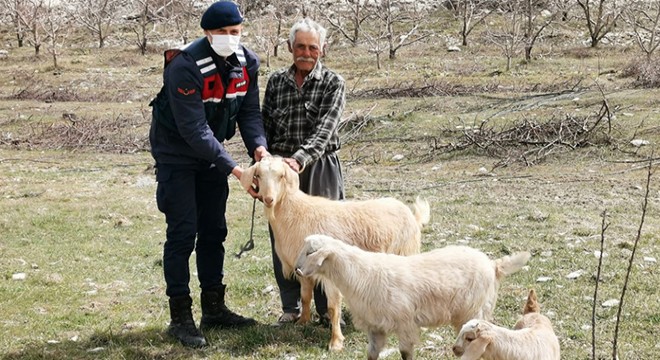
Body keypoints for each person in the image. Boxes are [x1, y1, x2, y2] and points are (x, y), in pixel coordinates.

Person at [148, 0, 269, 348]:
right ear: (206, 33)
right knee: (183, 232)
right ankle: (180, 317)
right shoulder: (184, 65)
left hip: (211, 155)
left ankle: (214, 308)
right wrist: (235, 169)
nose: (229, 39)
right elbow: (193, 129)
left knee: (214, 229)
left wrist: (258, 148)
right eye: (221, 33)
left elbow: (249, 114)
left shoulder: (248, 62)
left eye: (235, 32)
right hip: (177, 155)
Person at [261, 18, 346, 326]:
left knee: (325, 238)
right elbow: (265, 127)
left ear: (322, 50)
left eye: (312, 47)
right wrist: (266, 163)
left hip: (318, 166)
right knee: (283, 236)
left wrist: (298, 159)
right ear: (289, 48)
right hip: (280, 172)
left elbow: (325, 129)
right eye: (300, 47)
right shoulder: (276, 82)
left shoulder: (333, 83)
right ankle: (292, 307)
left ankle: (328, 310)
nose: (306, 53)